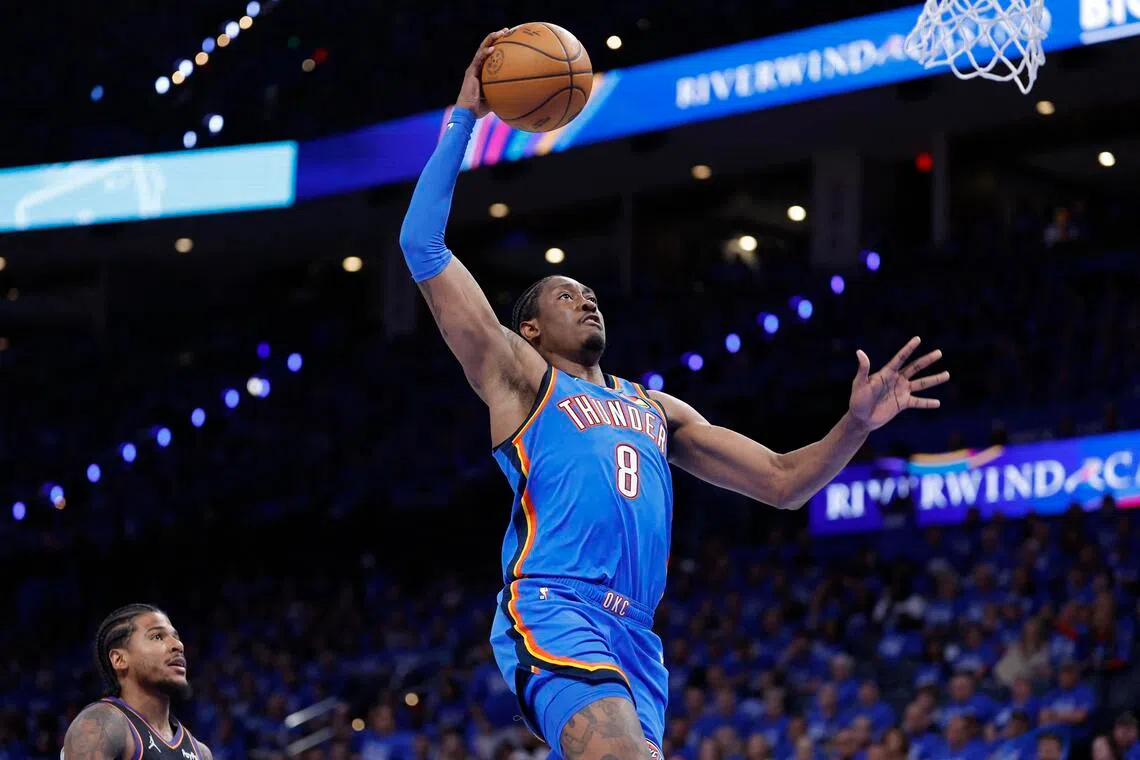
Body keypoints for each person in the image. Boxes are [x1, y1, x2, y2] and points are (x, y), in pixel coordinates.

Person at [398, 29, 949, 760]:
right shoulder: (519, 377)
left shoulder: (658, 411)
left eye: (591, 293)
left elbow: (783, 482)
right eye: (566, 295)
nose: (587, 299)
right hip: (555, 607)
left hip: (636, 637)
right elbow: (422, 246)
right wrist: (466, 116)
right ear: (529, 328)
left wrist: (855, 424)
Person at [63, 604, 211, 760]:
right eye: (157, 637)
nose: (178, 645)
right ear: (119, 659)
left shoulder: (201, 753)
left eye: (176, 637)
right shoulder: (102, 725)